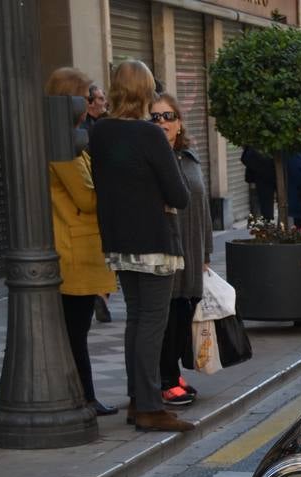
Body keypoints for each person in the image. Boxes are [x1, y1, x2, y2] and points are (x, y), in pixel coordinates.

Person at [89, 58, 193, 433]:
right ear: (143, 90)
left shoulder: (100, 131)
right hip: (153, 239)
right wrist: (158, 195)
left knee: (135, 320)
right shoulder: (149, 134)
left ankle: (138, 400)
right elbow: (179, 195)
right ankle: (150, 406)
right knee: (152, 323)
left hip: (118, 239)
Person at [45, 67, 117, 417]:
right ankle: (83, 397)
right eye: (86, 95)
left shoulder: (72, 138)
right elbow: (87, 198)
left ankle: (84, 396)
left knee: (78, 330)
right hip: (73, 252)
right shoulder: (63, 145)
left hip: (81, 249)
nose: (91, 102)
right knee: (75, 332)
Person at [150, 91, 211, 408]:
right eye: (155, 117)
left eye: (168, 117)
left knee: (186, 312)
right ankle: (166, 379)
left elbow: (201, 206)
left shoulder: (189, 156)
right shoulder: (152, 158)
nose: (162, 123)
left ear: (179, 122)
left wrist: (206, 252)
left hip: (193, 247)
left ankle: (173, 374)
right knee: (169, 315)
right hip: (167, 248)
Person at [240, 146, 277, 221]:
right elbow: (245, 158)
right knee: (264, 210)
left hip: (262, 181)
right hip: (262, 181)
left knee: (263, 209)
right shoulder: (258, 149)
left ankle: (263, 223)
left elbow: (245, 158)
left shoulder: (257, 148)